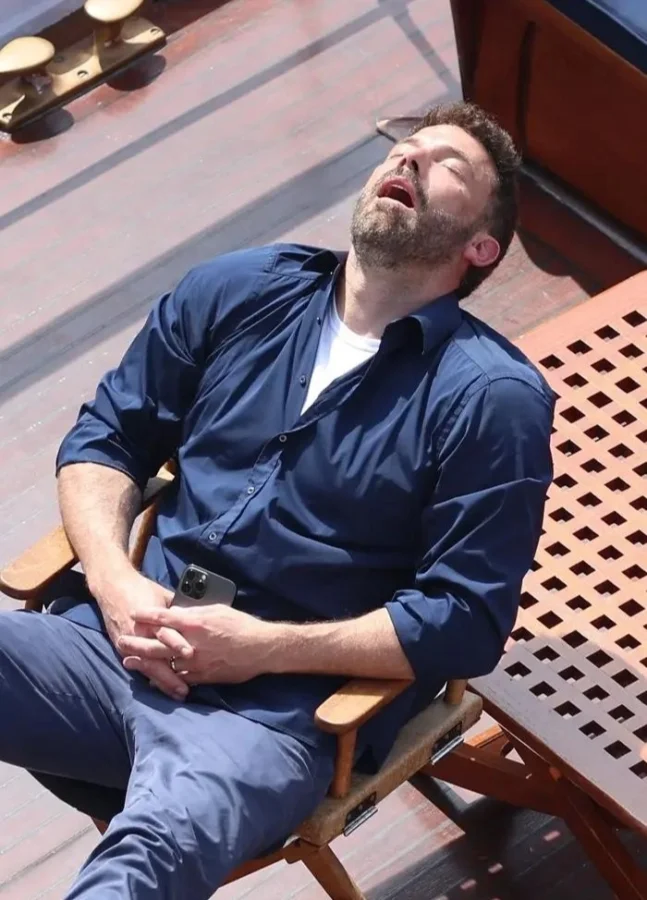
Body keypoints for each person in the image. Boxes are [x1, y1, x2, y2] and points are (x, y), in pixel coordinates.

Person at [0, 101, 555, 899]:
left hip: (271, 716)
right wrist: (116, 587)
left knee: (145, 865)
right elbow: (108, 440)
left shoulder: (489, 399)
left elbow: (463, 619)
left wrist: (258, 648)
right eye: (405, 148)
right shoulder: (238, 289)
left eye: (448, 166)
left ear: (480, 246)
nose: (410, 160)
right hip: (113, 646)